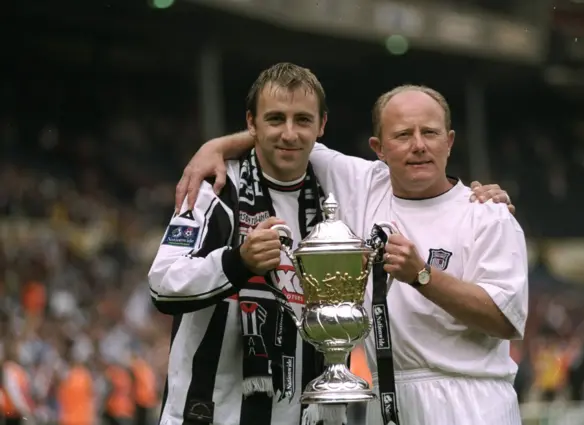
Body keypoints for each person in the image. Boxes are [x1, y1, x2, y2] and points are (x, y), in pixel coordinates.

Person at [175, 84, 527, 425]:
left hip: (470, 401)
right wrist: (214, 148)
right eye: (403, 135)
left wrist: (423, 275)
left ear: (449, 141)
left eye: (430, 133)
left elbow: (505, 320)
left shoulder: (487, 215)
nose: (419, 145)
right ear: (379, 148)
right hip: (385, 398)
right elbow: (290, 138)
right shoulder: (361, 184)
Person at [149, 62, 348, 425]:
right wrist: (238, 261)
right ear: (251, 124)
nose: (289, 133)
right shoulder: (213, 191)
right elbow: (163, 284)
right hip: (208, 414)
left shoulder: (339, 203)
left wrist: (481, 196)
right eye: (275, 119)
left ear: (321, 126)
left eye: (302, 120)